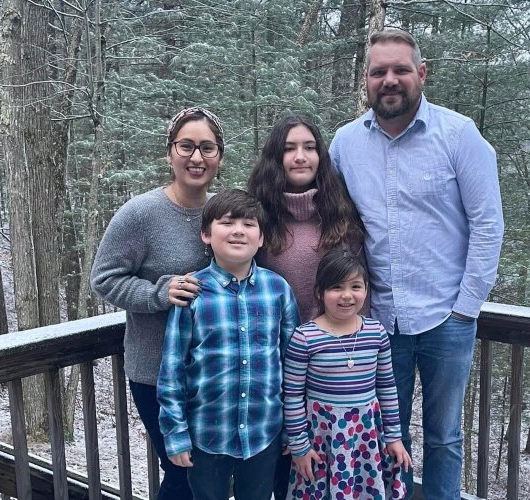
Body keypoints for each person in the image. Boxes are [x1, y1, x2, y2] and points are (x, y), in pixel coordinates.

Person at [329, 29, 505, 500]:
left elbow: (488, 225)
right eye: (379, 71)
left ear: (421, 74)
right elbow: (327, 219)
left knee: (444, 437)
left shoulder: (459, 135)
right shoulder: (345, 143)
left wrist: (466, 307)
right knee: (388, 436)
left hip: (447, 317)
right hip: (378, 321)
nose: (390, 80)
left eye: (400, 70)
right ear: (365, 80)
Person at [91, 106, 225, 499]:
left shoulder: (223, 211)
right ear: (169, 153)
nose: (196, 157)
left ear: (219, 156)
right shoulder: (140, 213)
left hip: (213, 371)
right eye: (186, 146)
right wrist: (157, 294)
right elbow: (103, 279)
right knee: (182, 469)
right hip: (155, 371)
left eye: (207, 148)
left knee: (213, 470)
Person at [247, 114, 368, 498]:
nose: (300, 157)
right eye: (289, 149)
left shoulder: (343, 217)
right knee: (277, 476)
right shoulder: (256, 219)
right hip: (273, 371)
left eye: (309, 147)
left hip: (333, 379)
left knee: (327, 479)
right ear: (274, 158)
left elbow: (360, 293)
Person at [157, 189, 300, 500]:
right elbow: (172, 370)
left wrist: (293, 428)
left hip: (265, 433)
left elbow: (292, 366)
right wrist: (176, 433)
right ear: (206, 234)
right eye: (227, 222)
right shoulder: (191, 292)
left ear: (261, 238)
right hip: (207, 435)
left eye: (249, 224)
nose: (238, 230)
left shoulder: (278, 290)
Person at [283, 249, 411, 500]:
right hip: (321, 437)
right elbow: (293, 395)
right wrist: (299, 446)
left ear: (366, 290)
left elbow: (386, 387)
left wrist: (394, 436)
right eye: (336, 287)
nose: (346, 295)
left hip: (366, 437)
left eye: (355, 286)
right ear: (320, 292)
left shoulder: (376, 332)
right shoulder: (305, 337)